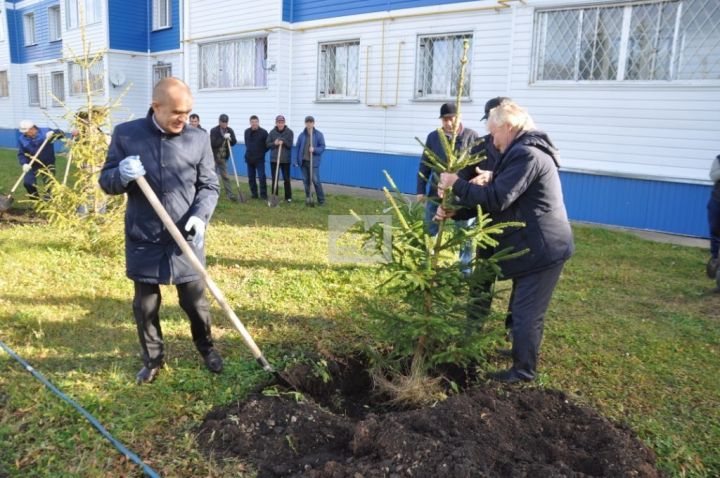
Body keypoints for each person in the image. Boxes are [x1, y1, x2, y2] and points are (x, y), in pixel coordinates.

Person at [436, 100, 574, 384]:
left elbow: (498, 199)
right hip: (530, 244)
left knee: (526, 314)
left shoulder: (527, 154)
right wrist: (457, 211)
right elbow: (498, 199)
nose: (492, 140)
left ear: (508, 127)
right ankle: (520, 356)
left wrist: (454, 183)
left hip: (544, 248)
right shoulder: (517, 152)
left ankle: (523, 372)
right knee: (525, 313)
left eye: (494, 133)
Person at [99, 77, 222, 385]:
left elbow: (209, 185)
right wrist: (121, 174)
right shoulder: (127, 135)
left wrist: (200, 216)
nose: (184, 118)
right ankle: (153, 360)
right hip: (145, 235)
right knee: (146, 304)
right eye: (177, 112)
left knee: (195, 302)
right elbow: (106, 182)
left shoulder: (198, 139)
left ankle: (207, 349)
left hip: (185, 237)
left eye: (188, 111)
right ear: (156, 107)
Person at [417, 103, 480, 272]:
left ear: (459, 118)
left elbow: (478, 166)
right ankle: (427, 266)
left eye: (451, 118)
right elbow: (425, 165)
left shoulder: (472, 136)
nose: (447, 123)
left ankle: (465, 271)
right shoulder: (434, 137)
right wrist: (421, 190)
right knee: (429, 230)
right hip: (435, 195)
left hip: (463, 197)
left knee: (465, 236)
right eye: (444, 119)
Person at [17, 120, 64, 198]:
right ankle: (35, 200)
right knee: (28, 183)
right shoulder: (22, 139)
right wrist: (24, 163)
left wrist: (54, 133)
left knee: (49, 184)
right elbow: (21, 154)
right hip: (32, 164)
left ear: (32, 128)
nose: (24, 133)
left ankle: (47, 202)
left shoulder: (45, 131)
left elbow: (61, 134)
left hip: (47, 163)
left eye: (25, 132)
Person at [295, 116, 326, 206]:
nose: (309, 124)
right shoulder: (302, 135)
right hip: (303, 162)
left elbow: (323, 147)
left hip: (313, 163)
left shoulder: (318, 134)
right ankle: (309, 198)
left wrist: (314, 149)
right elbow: (297, 148)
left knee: (316, 181)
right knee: (306, 182)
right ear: (305, 123)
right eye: (307, 122)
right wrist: (296, 160)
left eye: (311, 122)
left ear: (313, 123)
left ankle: (321, 201)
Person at [210, 114, 238, 201]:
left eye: (226, 122)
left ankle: (230, 195)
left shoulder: (230, 130)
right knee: (212, 177)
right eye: (223, 122)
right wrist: (223, 138)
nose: (224, 124)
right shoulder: (214, 130)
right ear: (219, 121)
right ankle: (211, 194)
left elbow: (234, 142)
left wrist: (230, 139)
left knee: (225, 176)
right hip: (214, 158)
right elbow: (213, 143)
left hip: (223, 158)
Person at [266, 115, 294, 202]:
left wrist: (283, 141)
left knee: (286, 179)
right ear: (276, 123)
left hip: (285, 160)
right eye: (279, 122)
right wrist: (275, 143)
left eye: (282, 122)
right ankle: (274, 196)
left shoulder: (289, 132)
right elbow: (267, 144)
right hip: (274, 159)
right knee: (275, 179)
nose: (280, 124)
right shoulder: (272, 132)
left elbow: (290, 145)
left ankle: (288, 197)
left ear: (284, 123)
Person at [244, 115, 269, 200]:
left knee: (262, 177)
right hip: (249, 158)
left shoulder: (264, 132)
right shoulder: (246, 132)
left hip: (259, 159)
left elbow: (267, 145)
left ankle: (263, 195)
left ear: (258, 122)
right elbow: (247, 144)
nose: (254, 124)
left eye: (255, 122)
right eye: (252, 122)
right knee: (251, 178)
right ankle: (254, 194)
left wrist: (261, 152)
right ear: (250, 123)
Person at [707, 154, 720, 288]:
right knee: (715, 232)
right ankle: (715, 258)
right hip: (717, 200)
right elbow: (714, 175)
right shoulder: (719, 158)